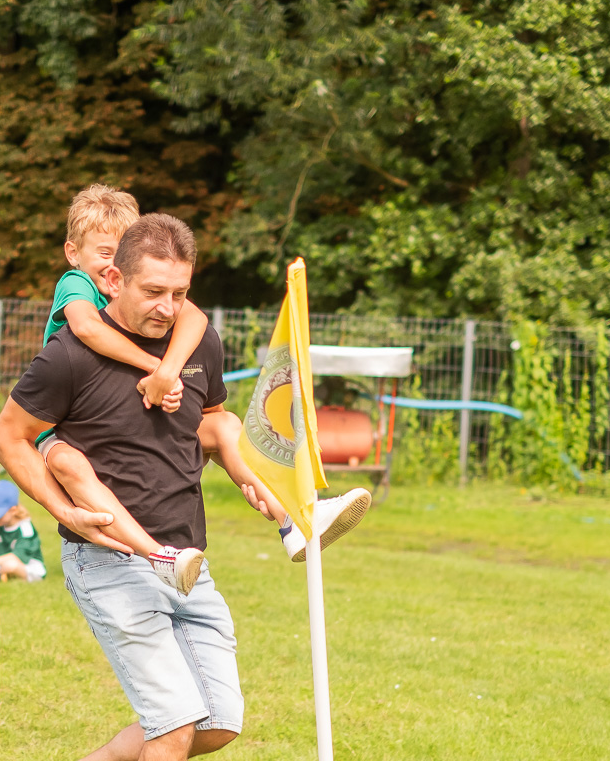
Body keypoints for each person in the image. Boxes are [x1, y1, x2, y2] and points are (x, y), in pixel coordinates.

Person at [0, 212, 242, 761]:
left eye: (179, 291)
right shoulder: (69, 356)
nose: (166, 306)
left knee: (219, 723)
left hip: (189, 563)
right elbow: (8, 437)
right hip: (109, 562)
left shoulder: (199, 346)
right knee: (172, 721)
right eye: (152, 290)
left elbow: (210, 418)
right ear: (111, 279)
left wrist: (251, 475)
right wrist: (59, 510)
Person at [37, 184, 366, 594]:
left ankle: (294, 519)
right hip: (60, 433)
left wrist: (169, 370)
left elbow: (194, 318)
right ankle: (156, 556)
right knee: (71, 464)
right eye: (105, 253)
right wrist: (156, 368)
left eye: (123, 251)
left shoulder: (156, 296)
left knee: (225, 425)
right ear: (74, 253)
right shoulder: (77, 284)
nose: (112, 263)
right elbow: (86, 328)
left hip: (141, 419)